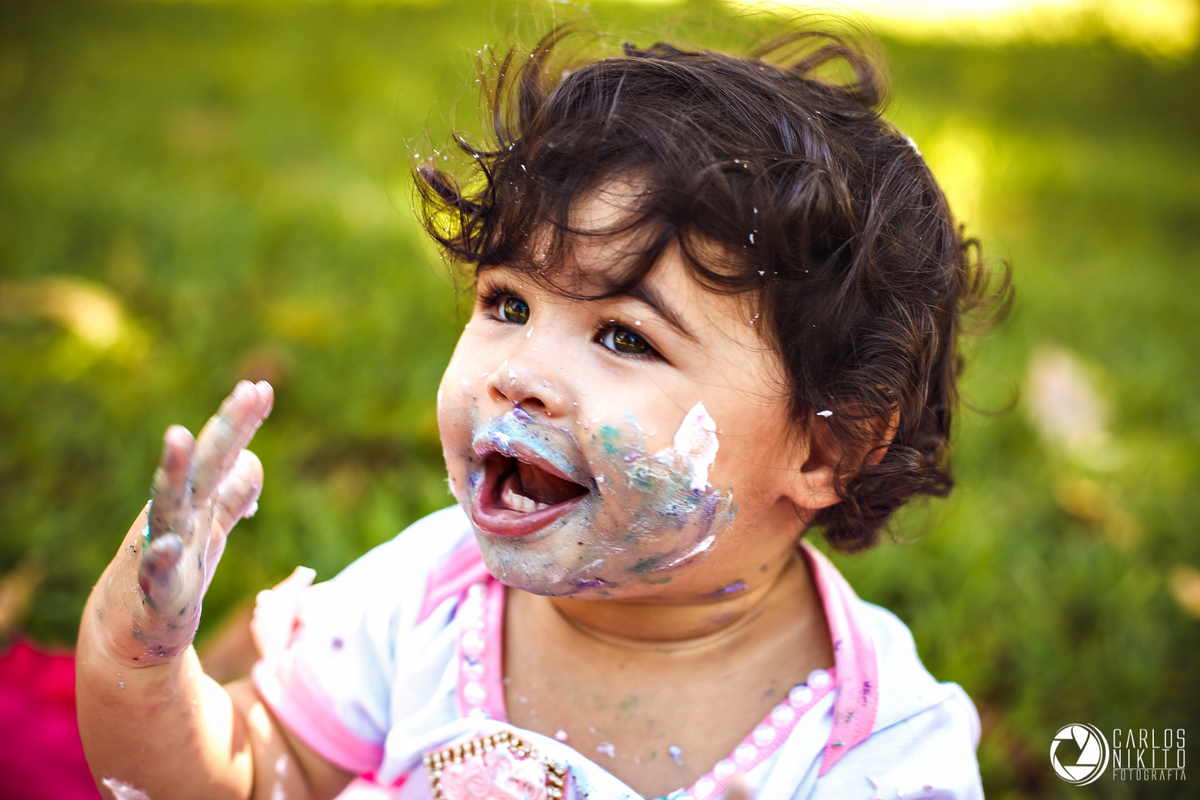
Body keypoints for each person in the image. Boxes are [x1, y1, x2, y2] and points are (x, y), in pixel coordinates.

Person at [76, 23, 1006, 800]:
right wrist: (139, 661)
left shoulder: (877, 751)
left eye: (626, 337)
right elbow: (243, 776)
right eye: (509, 304)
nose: (519, 372)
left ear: (829, 445)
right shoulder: (425, 606)